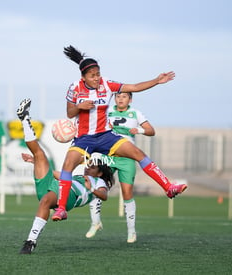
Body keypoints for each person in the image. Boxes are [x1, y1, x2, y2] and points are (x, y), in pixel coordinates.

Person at [51, 45, 187, 222]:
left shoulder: (107, 84)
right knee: (67, 165)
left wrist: (156, 80)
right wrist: (79, 107)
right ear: (83, 77)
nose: (97, 78)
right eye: (92, 76)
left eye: (98, 74)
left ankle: (168, 187)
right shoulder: (75, 88)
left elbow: (134, 87)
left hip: (106, 135)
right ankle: (61, 209)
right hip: (84, 139)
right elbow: (70, 113)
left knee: (138, 154)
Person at [16, 98, 115, 254]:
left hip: (69, 195)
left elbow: (104, 196)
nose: (88, 168)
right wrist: (35, 162)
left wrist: (92, 189)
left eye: (93, 166)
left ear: (100, 173)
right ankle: (25, 119)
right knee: (39, 154)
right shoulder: (77, 176)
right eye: (88, 165)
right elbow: (58, 174)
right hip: (53, 186)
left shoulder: (97, 182)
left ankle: (30, 242)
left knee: (45, 201)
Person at [86, 92, 155, 243]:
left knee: (127, 192)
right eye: (118, 96)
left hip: (127, 158)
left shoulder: (135, 113)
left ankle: (131, 231)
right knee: (97, 185)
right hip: (109, 155)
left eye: (124, 97)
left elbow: (151, 131)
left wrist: (140, 130)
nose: (120, 99)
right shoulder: (108, 110)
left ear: (130, 99)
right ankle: (95, 222)